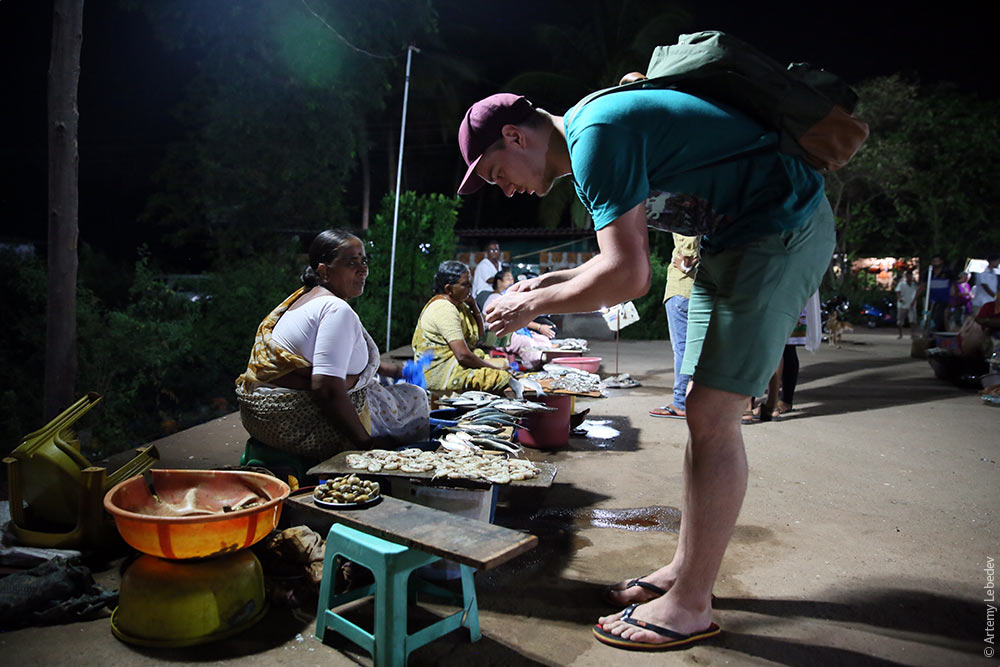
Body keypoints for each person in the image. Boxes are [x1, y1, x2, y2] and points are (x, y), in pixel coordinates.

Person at [457, 86, 833, 648]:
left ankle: (691, 605)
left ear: (515, 136)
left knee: (713, 413)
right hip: (731, 240)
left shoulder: (596, 136)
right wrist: (549, 283)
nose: (505, 189)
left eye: (495, 173)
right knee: (701, 416)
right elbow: (617, 259)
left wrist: (530, 303)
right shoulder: (591, 136)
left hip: (779, 226)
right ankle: (686, 569)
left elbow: (630, 276)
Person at [235, 229, 429, 464]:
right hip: (296, 417)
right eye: (351, 263)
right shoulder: (336, 310)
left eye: (364, 260)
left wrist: (392, 371)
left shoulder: (305, 298)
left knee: (387, 387)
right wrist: (367, 446)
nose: (363, 269)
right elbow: (326, 388)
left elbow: (326, 364)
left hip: (267, 412)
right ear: (324, 271)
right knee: (415, 398)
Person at [412, 260, 511, 392]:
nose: (470, 287)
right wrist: (491, 368)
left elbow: (480, 336)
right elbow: (463, 356)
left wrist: (474, 307)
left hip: (456, 362)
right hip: (440, 370)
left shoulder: (460, 305)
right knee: (501, 378)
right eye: (465, 284)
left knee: (504, 364)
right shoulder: (444, 308)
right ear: (449, 288)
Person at [650, 234, 698, 419]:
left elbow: (689, 245)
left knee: (683, 350)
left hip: (682, 290)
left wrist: (686, 263)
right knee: (695, 350)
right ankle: (695, 399)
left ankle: (680, 402)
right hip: (697, 292)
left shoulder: (686, 214)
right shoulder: (708, 212)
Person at [921, 255, 955, 332]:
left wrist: (952, 297)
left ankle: (938, 332)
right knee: (932, 316)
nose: (936, 263)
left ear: (941, 262)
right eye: (934, 261)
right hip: (932, 300)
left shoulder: (947, 273)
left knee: (940, 316)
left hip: (944, 299)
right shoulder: (928, 273)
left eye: (937, 261)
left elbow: (953, 285)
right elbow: (923, 286)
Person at [895, 270, 919, 339]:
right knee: (900, 320)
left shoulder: (914, 284)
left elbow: (918, 291)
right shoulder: (902, 283)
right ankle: (900, 334)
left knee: (913, 320)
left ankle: (913, 334)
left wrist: (914, 301)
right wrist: (900, 298)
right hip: (902, 304)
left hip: (911, 304)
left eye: (910, 276)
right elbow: (898, 292)